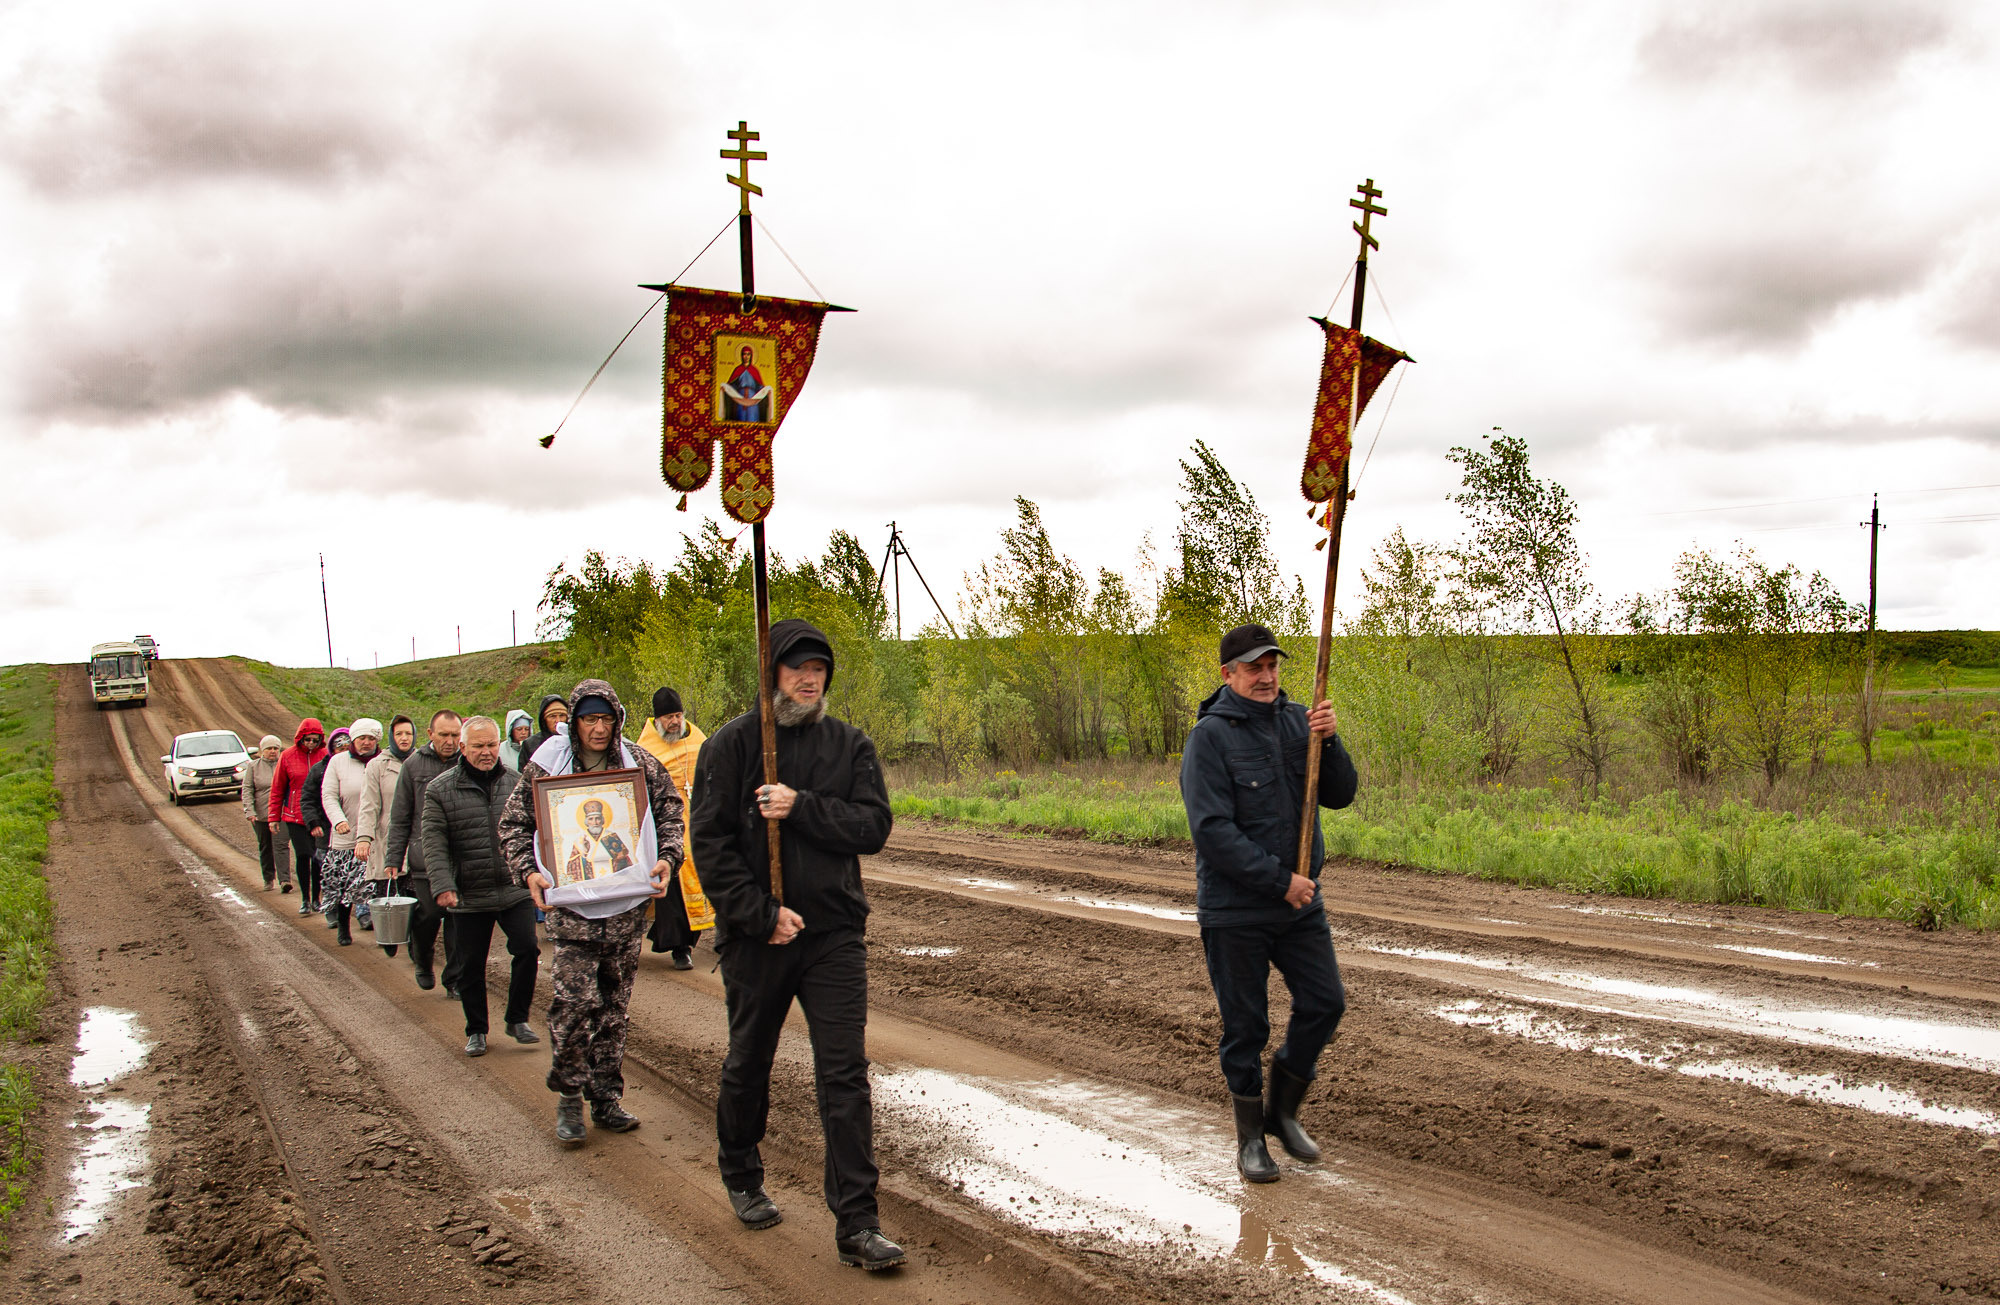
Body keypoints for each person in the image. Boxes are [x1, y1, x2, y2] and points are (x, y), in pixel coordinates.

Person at [693, 619, 903, 1271]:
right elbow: (710, 845)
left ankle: (858, 1222)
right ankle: (741, 1171)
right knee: (749, 1059)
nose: (809, 679)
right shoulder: (731, 746)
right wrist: (760, 915)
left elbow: (873, 826)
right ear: (771, 674)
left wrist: (800, 806)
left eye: (818, 669)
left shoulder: (849, 745)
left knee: (845, 1072)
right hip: (758, 938)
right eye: (796, 668)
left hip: (834, 932)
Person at [1178, 623, 1358, 1184]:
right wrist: (1281, 881)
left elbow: (1340, 795)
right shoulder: (1209, 738)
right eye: (1254, 667)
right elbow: (1212, 832)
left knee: (1325, 1002)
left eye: (1272, 665)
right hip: (1236, 910)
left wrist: (1329, 740)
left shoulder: (1300, 721)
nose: (1266, 676)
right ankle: (1251, 1140)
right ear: (1228, 674)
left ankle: (1283, 1111)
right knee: (1246, 1027)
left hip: (1298, 905)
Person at [499, 680, 680, 1147]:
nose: (598, 728)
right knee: (575, 1006)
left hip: (625, 912)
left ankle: (605, 1099)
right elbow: (514, 824)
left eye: (605, 719)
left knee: (614, 1011)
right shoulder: (548, 764)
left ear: (617, 719)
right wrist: (528, 872)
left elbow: (670, 812)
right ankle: (569, 1096)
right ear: (574, 722)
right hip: (573, 915)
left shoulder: (638, 762)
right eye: (588, 719)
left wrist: (668, 857)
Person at [423, 716, 540, 1058]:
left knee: (528, 950)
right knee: (471, 964)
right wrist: (443, 885)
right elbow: (434, 842)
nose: (487, 752)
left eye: (491, 745)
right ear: (462, 747)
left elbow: (536, 831)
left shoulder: (517, 783)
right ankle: (476, 1029)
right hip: (469, 892)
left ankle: (517, 1019)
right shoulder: (440, 790)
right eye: (478, 746)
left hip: (513, 887)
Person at [385, 711, 464, 993]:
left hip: (461, 857)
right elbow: (400, 816)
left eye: (455, 735)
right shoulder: (413, 766)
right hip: (424, 858)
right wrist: (394, 858)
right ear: (430, 734)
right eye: (444, 735)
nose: (450, 741)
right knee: (428, 916)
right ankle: (422, 959)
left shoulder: (466, 762)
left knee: (458, 920)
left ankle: (454, 979)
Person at [637, 686, 709, 968]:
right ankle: (680, 947)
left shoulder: (698, 738)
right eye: (668, 717)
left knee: (701, 882)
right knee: (674, 887)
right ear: (657, 720)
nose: (675, 722)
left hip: (698, 823)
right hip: (665, 826)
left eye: (678, 715)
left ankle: (690, 938)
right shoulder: (646, 748)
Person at [320, 719, 383, 946]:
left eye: (371, 738)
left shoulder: (383, 762)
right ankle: (344, 925)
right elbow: (328, 795)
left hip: (377, 835)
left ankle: (385, 930)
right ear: (353, 740)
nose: (366, 743)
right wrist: (338, 820)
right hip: (347, 834)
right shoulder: (338, 762)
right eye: (361, 738)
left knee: (377, 884)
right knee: (345, 882)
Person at [356, 715, 414, 956]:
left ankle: (417, 949)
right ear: (391, 737)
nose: (404, 738)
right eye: (399, 734)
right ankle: (390, 936)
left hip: (416, 839)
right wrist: (364, 838)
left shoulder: (420, 762)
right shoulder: (377, 766)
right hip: (387, 839)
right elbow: (369, 805)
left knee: (417, 897)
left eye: (408, 733)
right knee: (389, 891)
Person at [269, 719, 328, 917]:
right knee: (303, 855)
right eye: (307, 740)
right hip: (295, 816)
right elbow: (277, 788)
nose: (311, 743)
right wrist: (273, 816)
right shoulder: (287, 756)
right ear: (300, 738)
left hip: (320, 816)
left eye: (315, 740)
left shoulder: (325, 755)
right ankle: (304, 899)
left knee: (318, 858)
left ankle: (316, 898)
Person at [301, 727, 350, 923]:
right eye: (340, 749)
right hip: (326, 830)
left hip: (353, 829)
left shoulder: (360, 767)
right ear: (332, 749)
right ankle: (331, 909)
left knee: (355, 873)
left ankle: (363, 913)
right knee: (330, 873)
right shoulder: (319, 770)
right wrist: (313, 823)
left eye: (347, 748)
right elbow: (308, 799)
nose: (343, 752)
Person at [241, 735, 284, 890]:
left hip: (282, 814)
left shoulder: (283, 764)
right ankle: (268, 878)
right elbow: (247, 789)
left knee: (281, 846)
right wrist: (250, 811)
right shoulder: (253, 767)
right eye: (269, 749)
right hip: (261, 815)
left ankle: (284, 879)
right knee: (266, 846)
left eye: (275, 748)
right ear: (262, 751)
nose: (273, 751)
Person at [721, 344, 774, 422]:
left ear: (751, 356)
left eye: (748, 354)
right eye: (744, 354)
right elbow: (733, 385)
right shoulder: (738, 370)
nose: (746, 357)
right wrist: (726, 388)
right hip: (740, 398)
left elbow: (759, 386)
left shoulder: (754, 370)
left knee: (753, 418)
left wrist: (766, 391)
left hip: (753, 399)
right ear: (741, 356)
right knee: (740, 418)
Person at [519, 694, 570, 768]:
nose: (558, 720)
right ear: (544, 720)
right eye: (552, 716)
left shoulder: (576, 741)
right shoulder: (530, 745)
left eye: (562, 715)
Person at [499, 709, 533, 774]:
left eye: (526, 729)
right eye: (519, 729)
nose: (523, 732)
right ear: (511, 730)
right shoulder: (501, 750)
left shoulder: (535, 747)